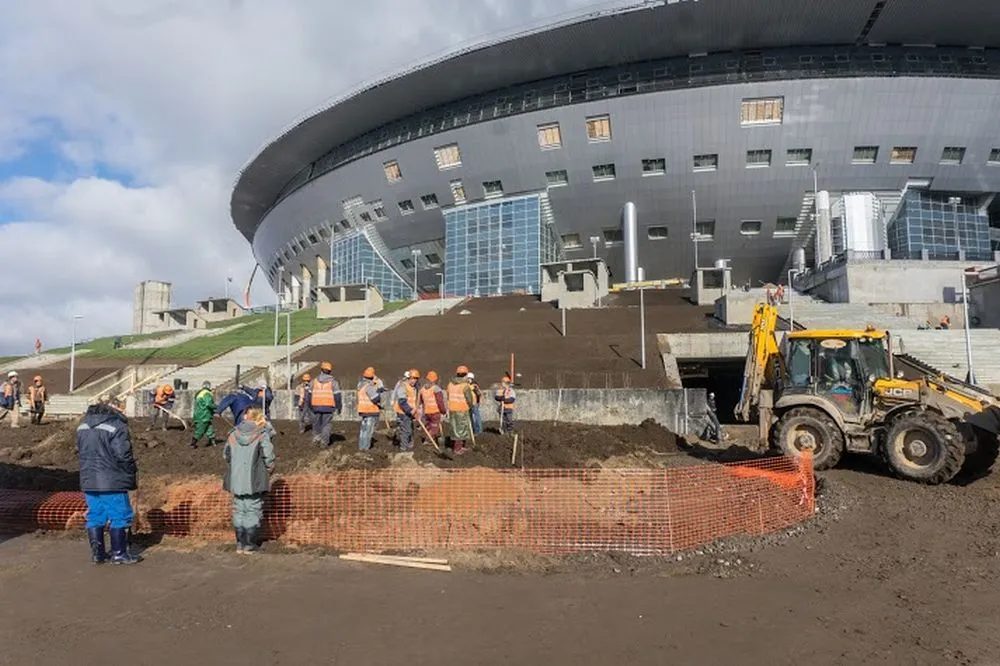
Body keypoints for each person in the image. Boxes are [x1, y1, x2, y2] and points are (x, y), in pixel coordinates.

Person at [76, 397, 140, 565]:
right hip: (112, 479)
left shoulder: (82, 426)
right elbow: (123, 455)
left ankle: (98, 554)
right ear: (117, 408)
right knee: (120, 514)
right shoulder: (116, 426)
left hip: (89, 479)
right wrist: (131, 471)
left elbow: (81, 451)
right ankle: (119, 553)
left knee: (95, 515)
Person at [222, 408, 275, 554]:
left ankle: (240, 543)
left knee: (239, 509)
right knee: (252, 510)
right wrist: (269, 470)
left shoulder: (233, 434)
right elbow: (268, 457)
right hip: (254, 480)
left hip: (236, 479)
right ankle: (250, 545)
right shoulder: (262, 435)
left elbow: (226, 455)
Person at [309, 361, 342, 446]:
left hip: (315, 406)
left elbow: (308, 395)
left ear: (321, 370)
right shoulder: (333, 382)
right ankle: (324, 442)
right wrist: (339, 407)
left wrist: (310, 406)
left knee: (316, 423)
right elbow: (337, 396)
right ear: (330, 371)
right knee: (326, 424)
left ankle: (316, 439)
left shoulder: (314, 381)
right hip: (328, 406)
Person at [446, 366, 476, 455]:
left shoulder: (450, 384)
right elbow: (469, 399)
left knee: (455, 428)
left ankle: (459, 446)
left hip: (452, 409)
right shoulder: (465, 386)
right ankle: (458, 448)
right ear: (466, 375)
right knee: (461, 429)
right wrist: (471, 406)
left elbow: (448, 396)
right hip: (462, 409)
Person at [356, 367, 383, 451]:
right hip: (370, 410)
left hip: (363, 410)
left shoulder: (360, 384)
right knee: (368, 430)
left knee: (363, 430)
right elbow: (375, 398)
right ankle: (365, 448)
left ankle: (361, 447)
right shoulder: (369, 386)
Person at [393, 369, 420, 452]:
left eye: (416, 379)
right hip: (403, 412)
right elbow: (402, 401)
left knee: (411, 429)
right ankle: (403, 449)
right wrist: (410, 410)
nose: (414, 381)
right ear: (408, 378)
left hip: (409, 412)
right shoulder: (403, 387)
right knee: (406, 431)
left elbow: (413, 401)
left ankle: (410, 445)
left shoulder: (414, 388)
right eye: (412, 378)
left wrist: (415, 411)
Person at [418, 370, 447, 446]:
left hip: (426, 412)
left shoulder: (422, 389)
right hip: (435, 412)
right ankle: (428, 440)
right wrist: (443, 411)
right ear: (435, 379)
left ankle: (431, 440)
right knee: (434, 427)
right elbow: (440, 402)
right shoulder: (436, 389)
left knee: (429, 426)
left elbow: (421, 401)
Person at [191, 381, 217, 448]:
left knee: (209, 429)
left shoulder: (200, 393)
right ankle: (193, 443)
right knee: (200, 430)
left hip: (201, 414)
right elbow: (208, 404)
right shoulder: (207, 394)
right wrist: (215, 406)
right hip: (204, 415)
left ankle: (213, 442)